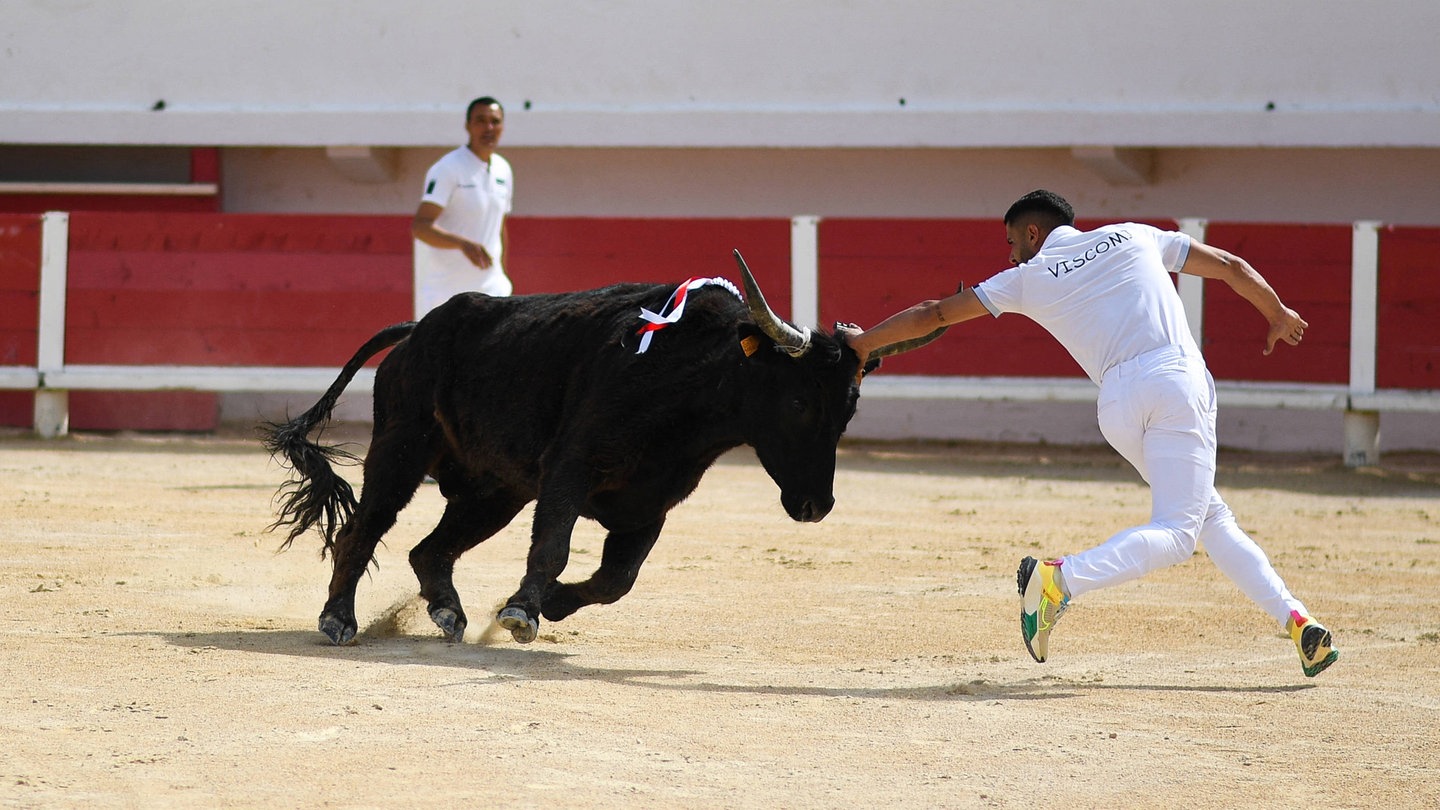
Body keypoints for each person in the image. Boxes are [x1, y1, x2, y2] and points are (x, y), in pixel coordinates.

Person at [842, 189, 1339, 678]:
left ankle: (1298, 622)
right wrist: (1276, 313)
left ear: (1033, 234)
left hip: (1118, 405)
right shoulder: (1134, 235)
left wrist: (863, 344)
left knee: (1207, 514)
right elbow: (1229, 266)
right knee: (1178, 532)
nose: (1010, 253)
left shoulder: (1027, 276)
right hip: (1174, 382)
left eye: (1012, 242)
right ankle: (1059, 579)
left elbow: (934, 313)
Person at [411, 96, 514, 319]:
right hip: (447, 298)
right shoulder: (448, 168)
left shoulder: (503, 170)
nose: (489, 127)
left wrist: (502, 274)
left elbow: (499, 227)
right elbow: (421, 227)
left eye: (495, 121)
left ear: (502, 127)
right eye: (481, 120)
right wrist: (462, 244)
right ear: (468, 125)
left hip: (493, 293)